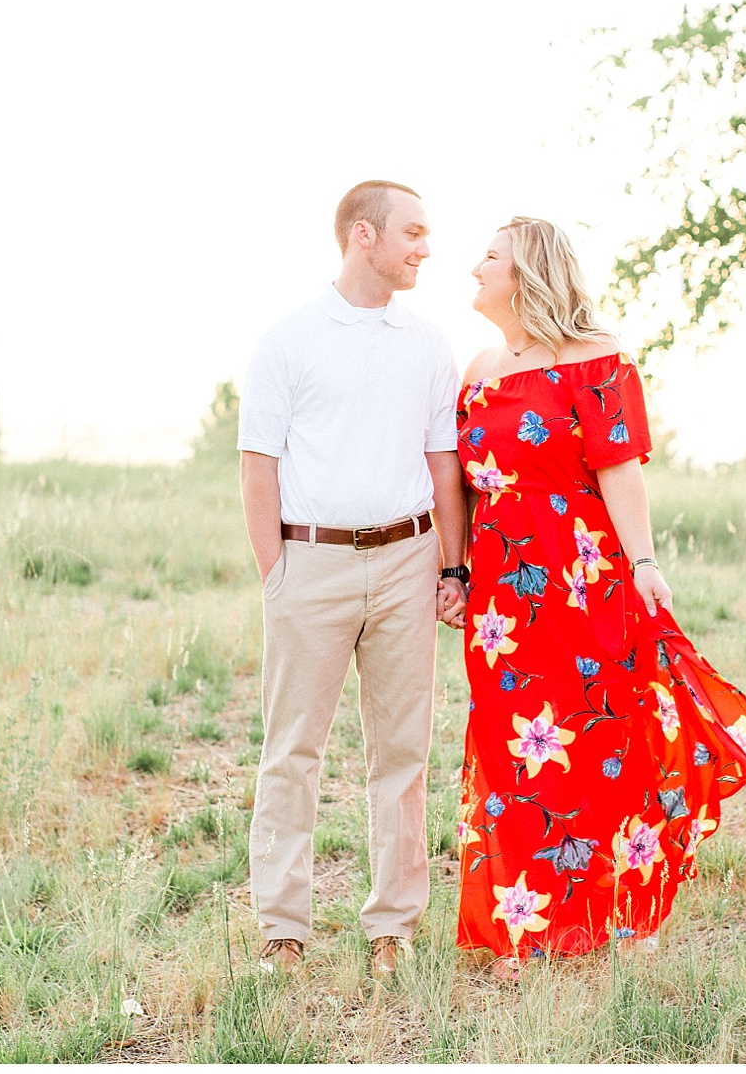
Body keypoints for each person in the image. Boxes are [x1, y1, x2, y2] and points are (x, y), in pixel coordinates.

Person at [450, 216, 746, 981]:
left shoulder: (596, 358)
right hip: (503, 597)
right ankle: (523, 923)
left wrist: (643, 561)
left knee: (602, 742)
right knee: (513, 754)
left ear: (527, 272)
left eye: (490, 256)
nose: (475, 267)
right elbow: (463, 485)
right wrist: (458, 573)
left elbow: (620, 469)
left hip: (582, 578)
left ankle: (625, 908)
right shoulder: (475, 367)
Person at [236, 180, 471, 980]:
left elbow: (445, 466)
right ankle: (283, 930)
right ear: (362, 235)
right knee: (291, 750)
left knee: (402, 751)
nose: (426, 248)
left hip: (407, 559)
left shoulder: (429, 342)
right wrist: (279, 572)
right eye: (413, 232)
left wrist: (451, 564)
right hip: (313, 562)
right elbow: (257, 465)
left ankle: (392, 927)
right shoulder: (290, 340)